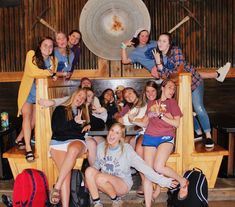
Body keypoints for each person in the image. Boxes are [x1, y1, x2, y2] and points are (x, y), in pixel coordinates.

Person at [152, 32, 231, 148]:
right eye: (159, 40)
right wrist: (159, 63)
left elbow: (178, 70)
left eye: (164, 41)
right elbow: (164, 76)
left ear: (169, 43)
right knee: (184, 111)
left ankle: (208, 136)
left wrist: (162, 66)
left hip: (194, 82)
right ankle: (198, 133)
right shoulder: (158, 57)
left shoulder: (175, 51)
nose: (161, 43)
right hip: (181, 87)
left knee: (198, 107)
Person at [85, 122, 178, 207]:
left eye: (117, 133)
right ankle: (97, 203)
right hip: (106, 182)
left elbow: (144, 167)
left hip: (122, 185)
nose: (112, 134)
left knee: (100, 178)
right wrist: (88, 179)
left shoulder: (127, 149)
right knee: (89, 171)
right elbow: (97, 164)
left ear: (121, 137)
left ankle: (116, 200)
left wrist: (163, 181)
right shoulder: (101, 147)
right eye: (112, 130)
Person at [131, 79, 188, 207]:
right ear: (162, 88)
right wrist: (133, 120)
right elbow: (145, 122)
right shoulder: (152, 103)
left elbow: (176, 124)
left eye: (173, 89)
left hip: (166, 137)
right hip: (150, 137)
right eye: (169, 87)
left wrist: (161, 115)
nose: (172, 90)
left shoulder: (172, 103)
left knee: (158, 166)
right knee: (148, 172)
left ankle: (183, 181)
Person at [121, 28, 231, 81]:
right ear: (137, 36)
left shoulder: (154, 42)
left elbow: (167, 46)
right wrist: (124, 47)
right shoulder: (135, 53)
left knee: (190, 71)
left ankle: (217, 74)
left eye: (146, 35)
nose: (145, 38)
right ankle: (217, 74)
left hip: (168, 63)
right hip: (158, 70)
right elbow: (124, 61)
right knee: (187, 73)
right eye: (142, 35)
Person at [15, 37, 56, 162]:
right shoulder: (31, 54)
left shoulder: (53, 59)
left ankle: (18, 139)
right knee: (26, 117)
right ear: (39, 45)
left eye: (50, 46)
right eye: (45, 45)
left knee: (33, 122)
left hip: (40, 94)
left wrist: (52, 74)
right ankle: (28, 149)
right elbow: (33, 72)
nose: (48, 48)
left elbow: (52, 72)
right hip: (28, 92)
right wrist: (50, 73)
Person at [49, 88, 88, 206]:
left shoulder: (82, 112)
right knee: (65, 174)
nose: (81, 99)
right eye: (80, 95)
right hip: (58, 142)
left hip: (76, 142)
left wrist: (86, 125)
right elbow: (57, 129)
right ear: (74, 95)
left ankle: (57, 187)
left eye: (83, 98)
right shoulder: (61, 109)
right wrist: (74, 123)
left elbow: (80, 133)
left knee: (73, 149)